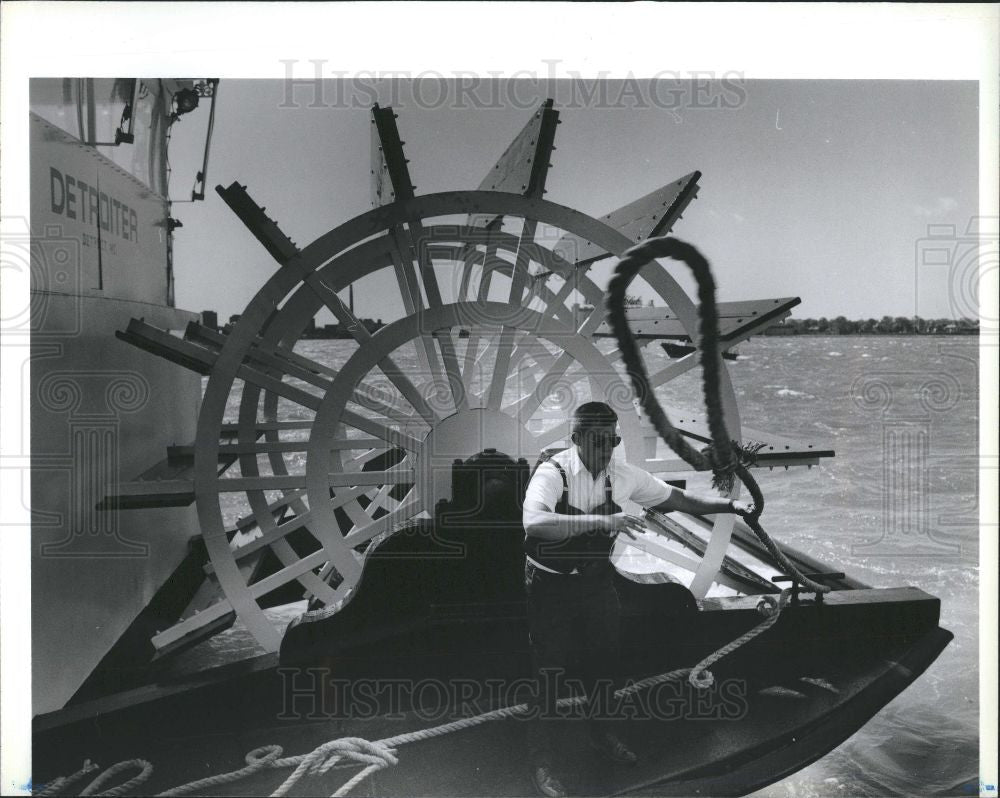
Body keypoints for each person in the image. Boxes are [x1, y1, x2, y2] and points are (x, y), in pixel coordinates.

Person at [521, 401, 753, 798]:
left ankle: (601, 736)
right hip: (551, 589)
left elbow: (679, 502)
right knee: (549, 673)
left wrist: (729, 506)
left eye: (613, 440)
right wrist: (602, 520)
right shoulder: (553, 472)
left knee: (605, 663)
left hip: (595, 587)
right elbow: (535, 523)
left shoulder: (623, 476)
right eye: (598, 442)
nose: (607, 450)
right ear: (576, 440)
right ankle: (545, 761)